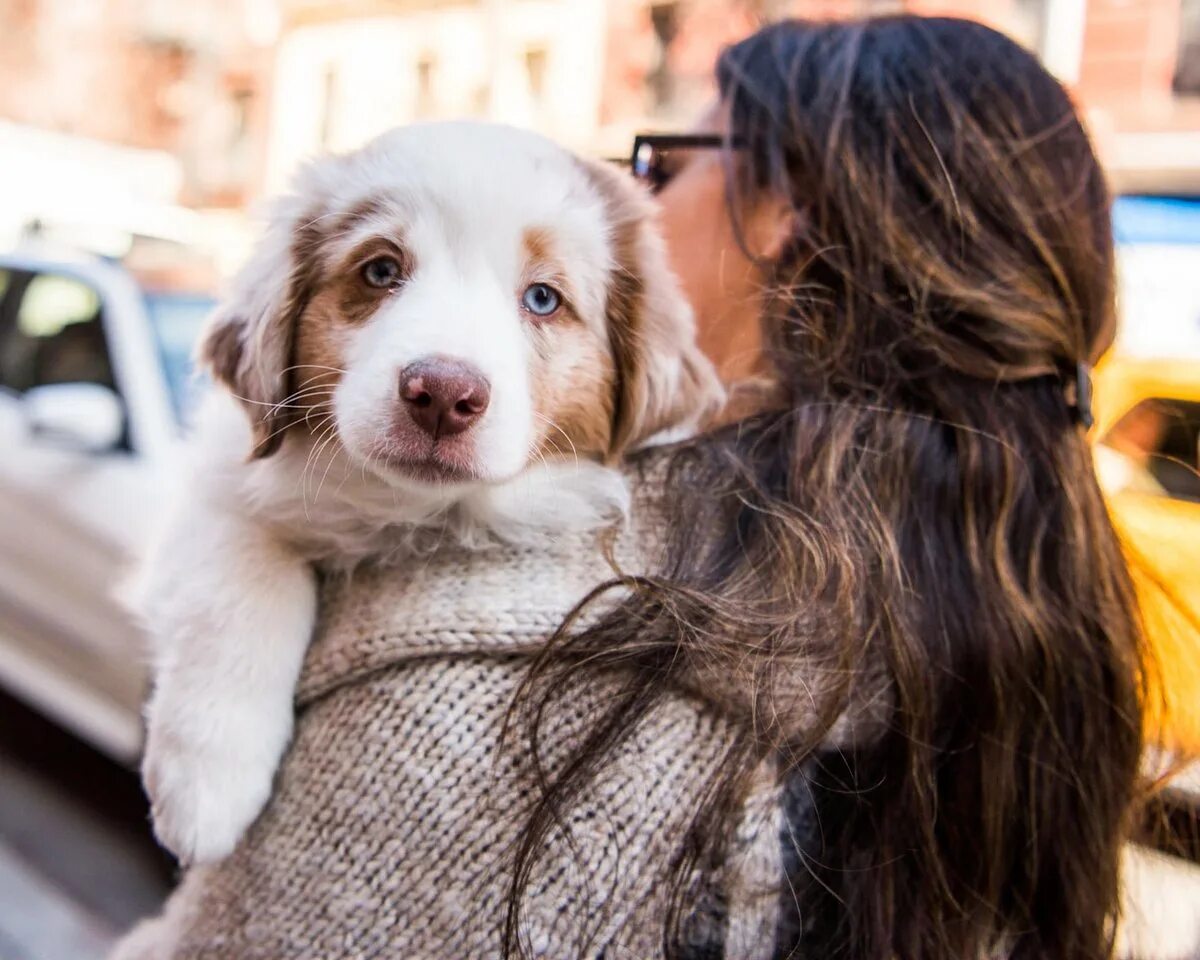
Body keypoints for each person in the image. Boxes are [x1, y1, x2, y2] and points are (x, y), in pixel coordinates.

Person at [111, 16, 1146, 960]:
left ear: (782, 209)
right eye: (382, 272)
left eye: (665, 159)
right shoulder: (1023, 648)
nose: (636, 193)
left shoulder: (468, 671)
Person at [509, 15, 1146, 960]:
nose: (622, 206)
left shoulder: (538, 607)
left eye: (660, 166)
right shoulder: (1048, 617)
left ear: (785, 209)